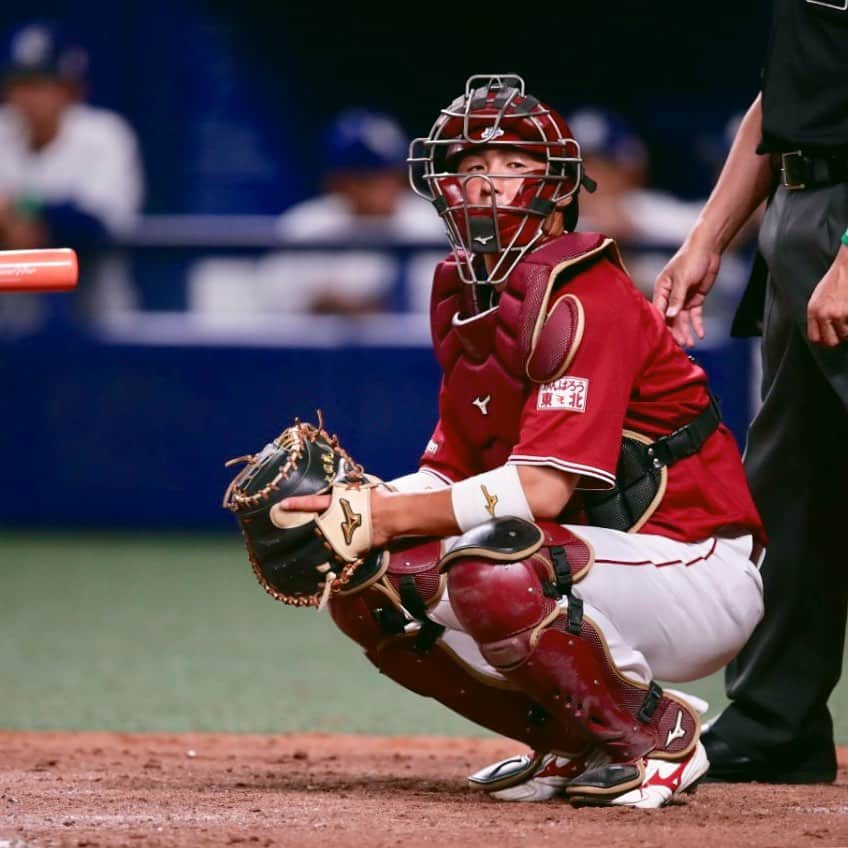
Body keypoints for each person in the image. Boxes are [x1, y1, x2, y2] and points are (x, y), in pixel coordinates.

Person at [275, 73, 766, 808]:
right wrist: (346, 507)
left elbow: (540, 491)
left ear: (556, 185)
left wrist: (381, 517)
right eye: (470, 168)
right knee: (366, 579)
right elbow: (448, 475)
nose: (486, 185)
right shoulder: (462, 293)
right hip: (603, 557)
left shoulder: (585, 290)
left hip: (696, 563)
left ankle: (654, 732)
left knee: (493, 568)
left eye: (510, 166)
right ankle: (573, 738)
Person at [652, 0, 848, 785]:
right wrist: (710, 235)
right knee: (793, 485)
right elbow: (785, 100)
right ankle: (776, 723)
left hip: (841, 227)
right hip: (802, 211)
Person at [189, 108, 444, 317]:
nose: (385, 187)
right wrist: (319, 305)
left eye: (390, 175)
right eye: (367, 178)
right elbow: (275, 314)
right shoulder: (307, 226)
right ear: (338, 183)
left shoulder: (432, 225)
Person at [0, 20, 145, 321]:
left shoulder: (105, 136)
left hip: (96, 325)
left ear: (71, 89)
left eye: (42, 84)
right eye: (20, 84)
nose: (30, 97)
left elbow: (93, 224)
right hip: (11, 329)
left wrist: (23, 208)